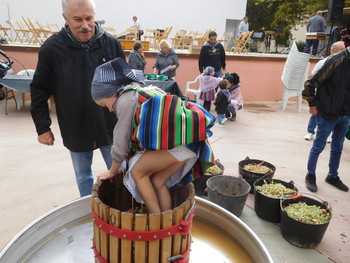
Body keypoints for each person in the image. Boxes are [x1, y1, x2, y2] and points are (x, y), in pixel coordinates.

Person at [91, 57, 216, 213]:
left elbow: (121, 139)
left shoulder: (125, 99)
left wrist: (112, 171)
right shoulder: (142, 89)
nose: (109, 110)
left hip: (178, 143)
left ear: (110, 93)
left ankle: (155, 218)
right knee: (158, 181)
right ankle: (166, 220)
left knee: (138, 172)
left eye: (104, 105)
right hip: (191, 142)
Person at [30, 0, 125, 197]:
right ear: (65, 18)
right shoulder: (52, 48)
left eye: (89, 18)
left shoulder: (110, 43)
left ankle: (123, 207)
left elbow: (125, 82)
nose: (85, 25)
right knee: (83, 176)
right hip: (75, 125)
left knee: (120, 172)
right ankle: (87, 208)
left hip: (109, 122)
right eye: (77, 19)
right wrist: (43, 127)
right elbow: (39, 89)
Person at [302, 46, 350, 193]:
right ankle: (310, 175)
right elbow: (310, 83)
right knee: (318, 146)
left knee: (337, 147)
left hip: (345, 113)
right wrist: (312, 104)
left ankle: (332, 176)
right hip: (328, 113)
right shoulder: (335, 61)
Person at [304, 41, 346, 142]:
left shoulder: (343, 64)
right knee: (316, 114)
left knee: (331, 118)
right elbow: (312, 79)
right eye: (341, 50)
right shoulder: (323, 62)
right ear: (333, 51)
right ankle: (310, 131)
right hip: (322, 96)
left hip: (334, 98)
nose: (343, 53)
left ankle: (326, 135)